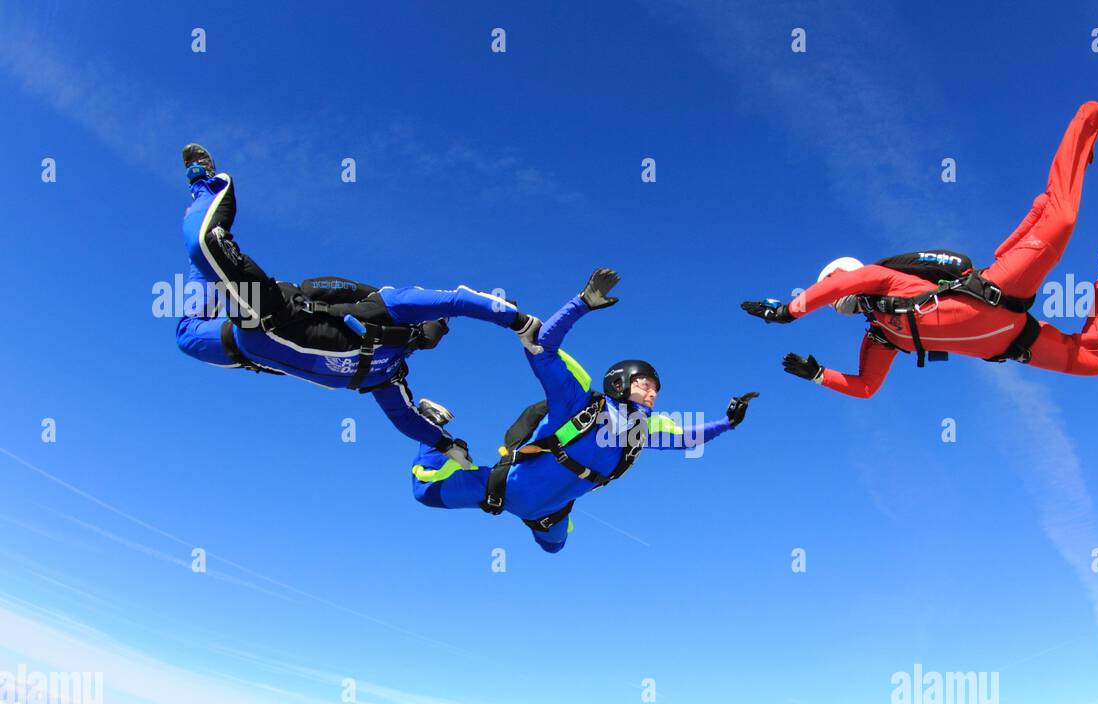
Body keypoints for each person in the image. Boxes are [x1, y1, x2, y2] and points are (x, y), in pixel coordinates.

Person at [741, 102, 1098, 399]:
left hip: (998, 287)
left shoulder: (886, 281)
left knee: (1060, 220)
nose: (832, 299)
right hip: (1011, 342)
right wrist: (818, 375)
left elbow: (851, 282)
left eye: (830, 287)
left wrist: (787, 311)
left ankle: (1083, 128)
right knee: (1093, 361)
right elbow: (866, 387)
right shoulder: (880, 338)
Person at [174, 144, 543, 462]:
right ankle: (206, 184)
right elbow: (459, 300)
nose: (436, 333)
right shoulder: (394, 306)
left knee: (188, 337)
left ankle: (205, 269)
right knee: (206, 244)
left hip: (250, 349)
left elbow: (405, 419)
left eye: (440, 330)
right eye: (439, 324)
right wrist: (518, 322)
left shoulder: (389, 373)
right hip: (271, 316)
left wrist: (446, 444)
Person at [410, 269, 759, 552]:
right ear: (619, 382)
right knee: (423, 492)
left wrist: (728, 422)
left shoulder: (643, 430)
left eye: (656, 388)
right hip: (504, 489)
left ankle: (552, 512)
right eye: (645, 384)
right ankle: (433, 428)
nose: (652, 393)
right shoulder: (579, 403)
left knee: (554, 549)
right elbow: (541, 348)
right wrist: (581, 304)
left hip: (551, 514)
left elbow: (687, 438)